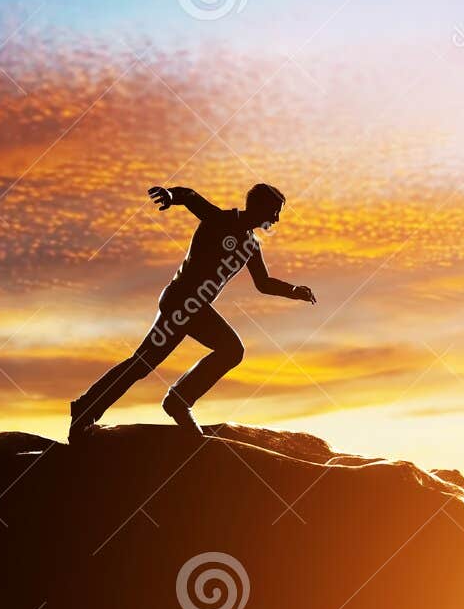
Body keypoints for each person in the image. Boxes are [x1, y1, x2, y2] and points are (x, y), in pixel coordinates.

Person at [69, 183, 316, 441]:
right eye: (274, 211)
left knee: (143, 363)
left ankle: (90, 406)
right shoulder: (220, 219)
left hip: (194, 308)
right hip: (181, 301)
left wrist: (294, 289)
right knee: (226, 350)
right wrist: (171, 195)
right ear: (258, 206)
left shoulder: (251, 246)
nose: (275, 219)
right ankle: (174, 402)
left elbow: (263, 283)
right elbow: (190, 197)